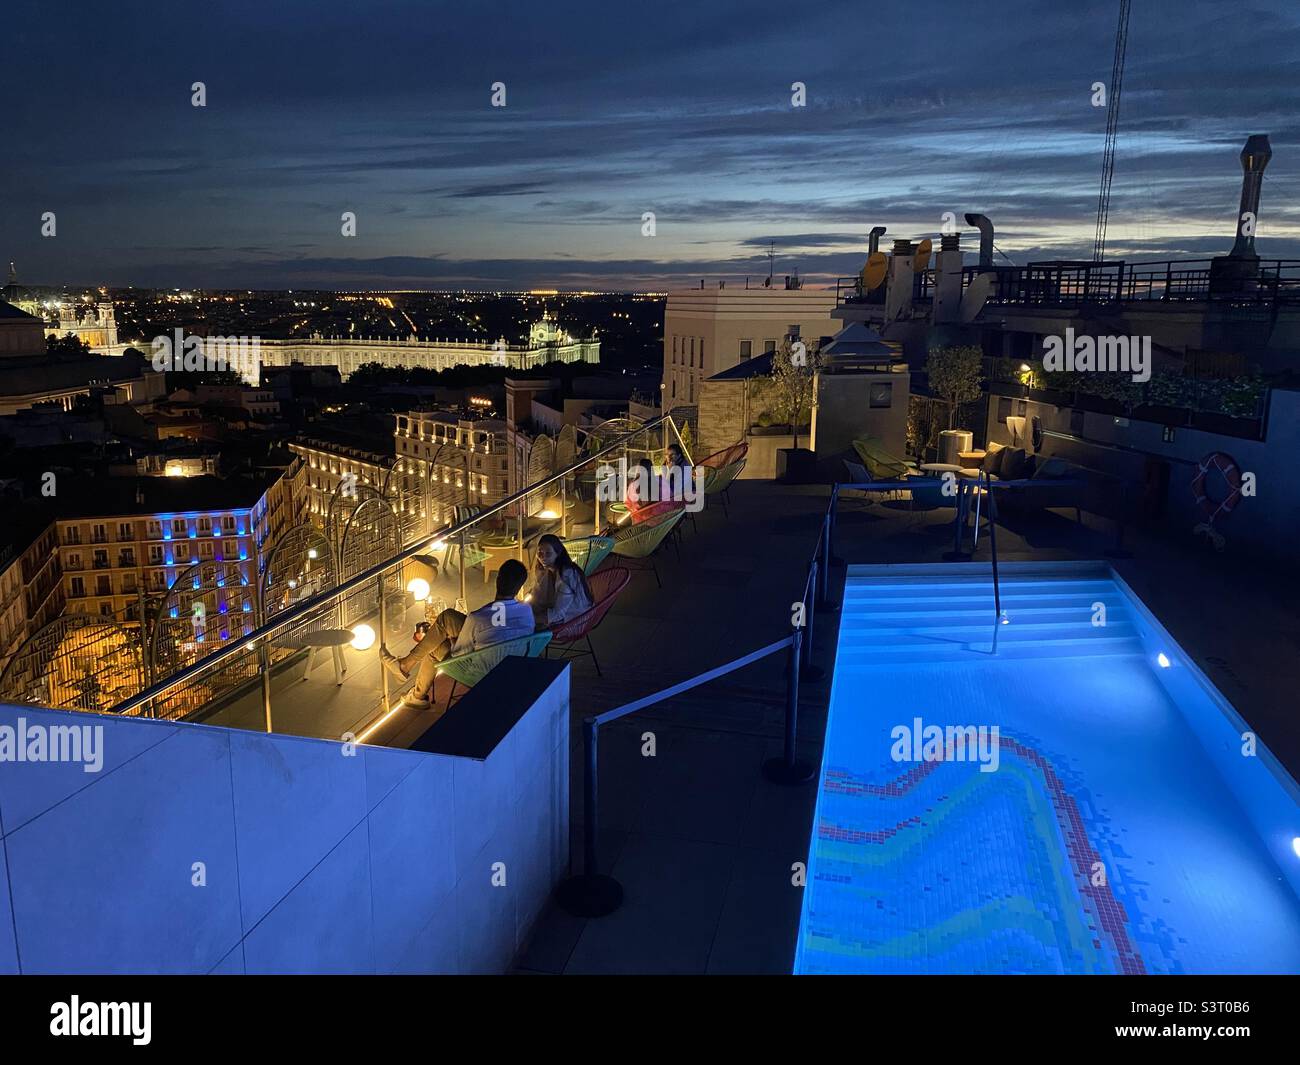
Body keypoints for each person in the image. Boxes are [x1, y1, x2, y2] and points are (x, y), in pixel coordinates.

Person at [381, 559, 534, 708]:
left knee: (434, 644)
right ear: (520, 586)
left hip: (479, 671)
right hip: (511, 667)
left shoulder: (479, 617)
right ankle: (406, 666)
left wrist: (442, 638)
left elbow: (460, 652)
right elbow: (502, 626)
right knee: (448, 617)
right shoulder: (527, 612)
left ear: (497, 579)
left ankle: (416, 694)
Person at [528, 533, 593, 627]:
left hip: (575, 621)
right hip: (562, 615)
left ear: (558, 553)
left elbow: (557, 615)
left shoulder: (566, 574)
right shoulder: (546, 571)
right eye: (540, 553)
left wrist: (526, 618)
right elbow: (536, 597)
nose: (543, 557)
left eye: (548, 553)